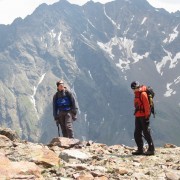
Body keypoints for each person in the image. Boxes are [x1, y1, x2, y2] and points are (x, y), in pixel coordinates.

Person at [131, 81, 155, 155]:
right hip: (138, 115)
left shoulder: (143, 94)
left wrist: (147, 117)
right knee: (137, 133)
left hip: (144, 116)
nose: (135, 90)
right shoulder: (137, 94)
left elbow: (147, 106)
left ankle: (151, 150)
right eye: (134, 89)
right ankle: (140, 149)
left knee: (146, 132)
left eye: (136, 88)